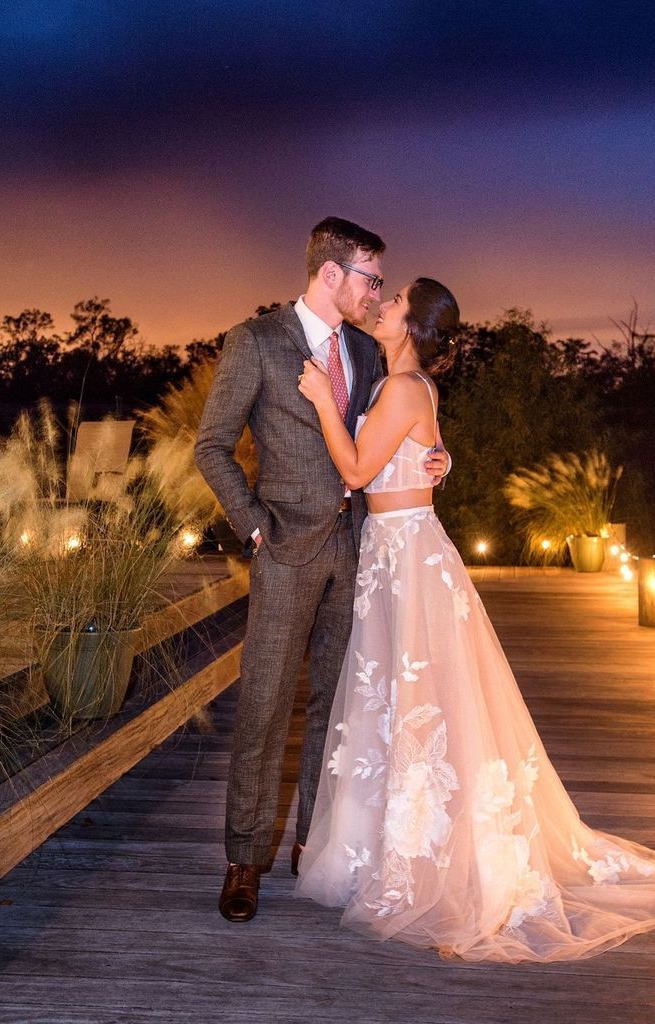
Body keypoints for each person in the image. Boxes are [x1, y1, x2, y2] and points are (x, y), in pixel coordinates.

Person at [294, 277, 655, 962]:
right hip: (395, 553)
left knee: (424, 703)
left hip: (406, 557)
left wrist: (318, 403)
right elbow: (412, 455)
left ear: (415, 326)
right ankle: (392, 849)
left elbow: (355, 468)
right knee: (406, 703)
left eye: (395, 302)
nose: (382, 305)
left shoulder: (404, 388)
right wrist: (441, 458)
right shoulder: (399, 383)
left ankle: (437, 862)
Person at [194, 220, 450, 923]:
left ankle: (317, 844)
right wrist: (252, 523)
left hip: (359, 549)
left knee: (338, 708)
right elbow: (211, 446)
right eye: (370, 278)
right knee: (265, 704)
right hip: (284, 549)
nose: (375, 293)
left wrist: (442, 459)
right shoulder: (255, 343)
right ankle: (245, 861)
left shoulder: (368, 350)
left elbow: (403, 429)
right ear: (331, 273)